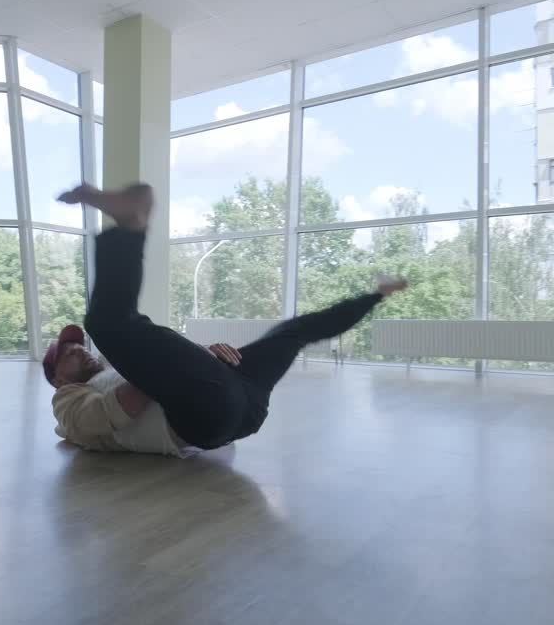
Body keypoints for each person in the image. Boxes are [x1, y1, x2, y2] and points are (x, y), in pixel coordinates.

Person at [43, 182, 408, 457]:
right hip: (206, 416)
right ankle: (129, 225)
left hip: (243, 401)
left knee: (292, 331)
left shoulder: (108, 367)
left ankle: (376, 294)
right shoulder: (67, 402)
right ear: (58, 377)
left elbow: (164, 365)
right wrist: (171, 367)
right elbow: (112, 412)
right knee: (107, 324)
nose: (82, 352)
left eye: (78, 348)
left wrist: (202, 355)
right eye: (70, 353)